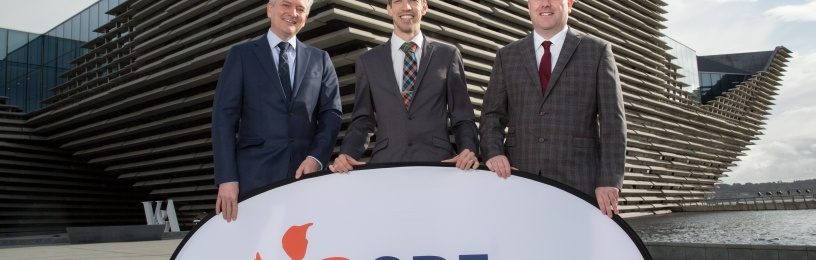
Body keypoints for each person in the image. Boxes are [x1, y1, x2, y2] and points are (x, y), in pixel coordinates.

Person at [479, 0, 627, 218]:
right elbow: (492, 116)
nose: (545, 4)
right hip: (518, 179)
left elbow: (613, 122)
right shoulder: (506, 56)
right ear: (529, 4)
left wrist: (608, 180)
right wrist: (493, 153)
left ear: (569, 4)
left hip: (580, 182)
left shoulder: (597, 51)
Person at [211, 0, 342, 222]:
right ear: (270, 9)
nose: (293, 13)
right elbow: (223, 119)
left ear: (305, 18)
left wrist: (316, 158)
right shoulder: (241, 55)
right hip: (252, 178)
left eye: (300, 9)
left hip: (304, 176)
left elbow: (332, 114)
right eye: (286, 5)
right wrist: (227, 178)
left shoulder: (320, 59)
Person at [329, 0, 479, 173]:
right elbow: (362, 120)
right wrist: (348, 153)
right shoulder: (368, 61)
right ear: (389, 9)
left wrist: (468, 148)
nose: (406, 7)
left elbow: (462, 115)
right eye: (398, 1)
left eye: (413, 1)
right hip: (386, 164)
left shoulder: (448, 55)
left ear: (424, 7)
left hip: (438, 164)